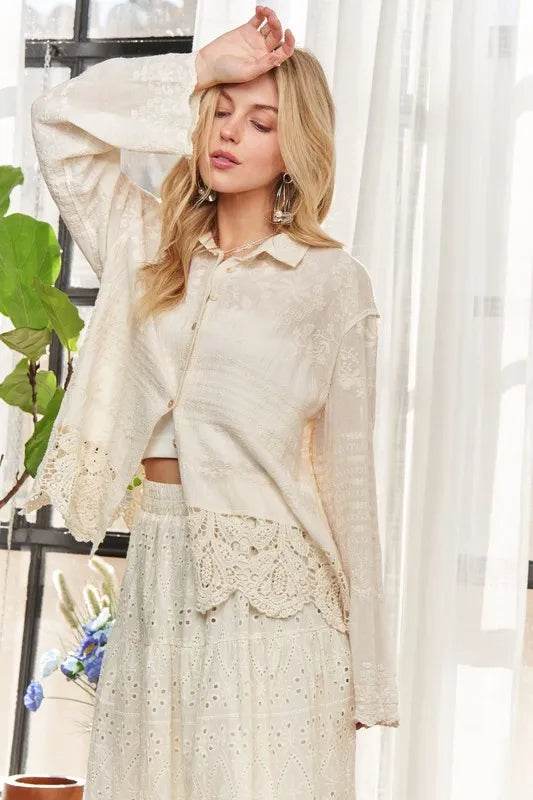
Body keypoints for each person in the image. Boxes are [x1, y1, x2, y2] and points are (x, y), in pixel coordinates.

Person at [24, 6, 399, 798]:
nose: (230, 132)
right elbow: (57, 121)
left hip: (278, 604)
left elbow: (350, 483)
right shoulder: (143, 245)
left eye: (260, 122)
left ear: (294, 149)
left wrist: (368, 672)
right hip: (160, 569)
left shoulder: (331, 285)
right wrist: (204, 66)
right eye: (220, 112)